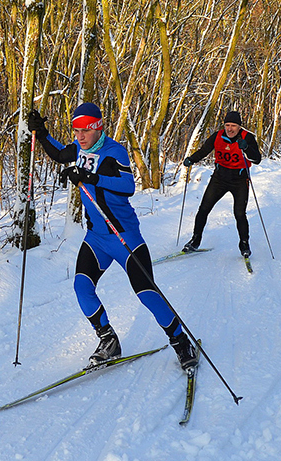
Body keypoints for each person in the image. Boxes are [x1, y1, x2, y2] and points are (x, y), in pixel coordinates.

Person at [27, 103, 197, 370]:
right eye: (76, 130)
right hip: (97, 237)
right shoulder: (79, 148)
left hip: (124, 236)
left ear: (98, 128)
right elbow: (61, 154)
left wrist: (88, 176)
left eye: (85, 130)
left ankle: (180, 340)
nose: (80, 136)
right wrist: (42, 132)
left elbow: (127, 186)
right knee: (82, 287)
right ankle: (108, 340)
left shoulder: (113, 152)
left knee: (146, 292)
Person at [181, 110, 262, 257]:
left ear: (239, 127)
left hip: (239, 180)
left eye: (233, 126)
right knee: (204, 209)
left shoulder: (247, 138)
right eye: (227, 125)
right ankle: (195, 240)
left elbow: (257, 159)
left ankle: (244, 244)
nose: (230, 129)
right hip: (219, 178)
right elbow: (204, 151)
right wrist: (191, 159)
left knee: (239, 213)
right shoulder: (218, 136)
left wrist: (247, 148)